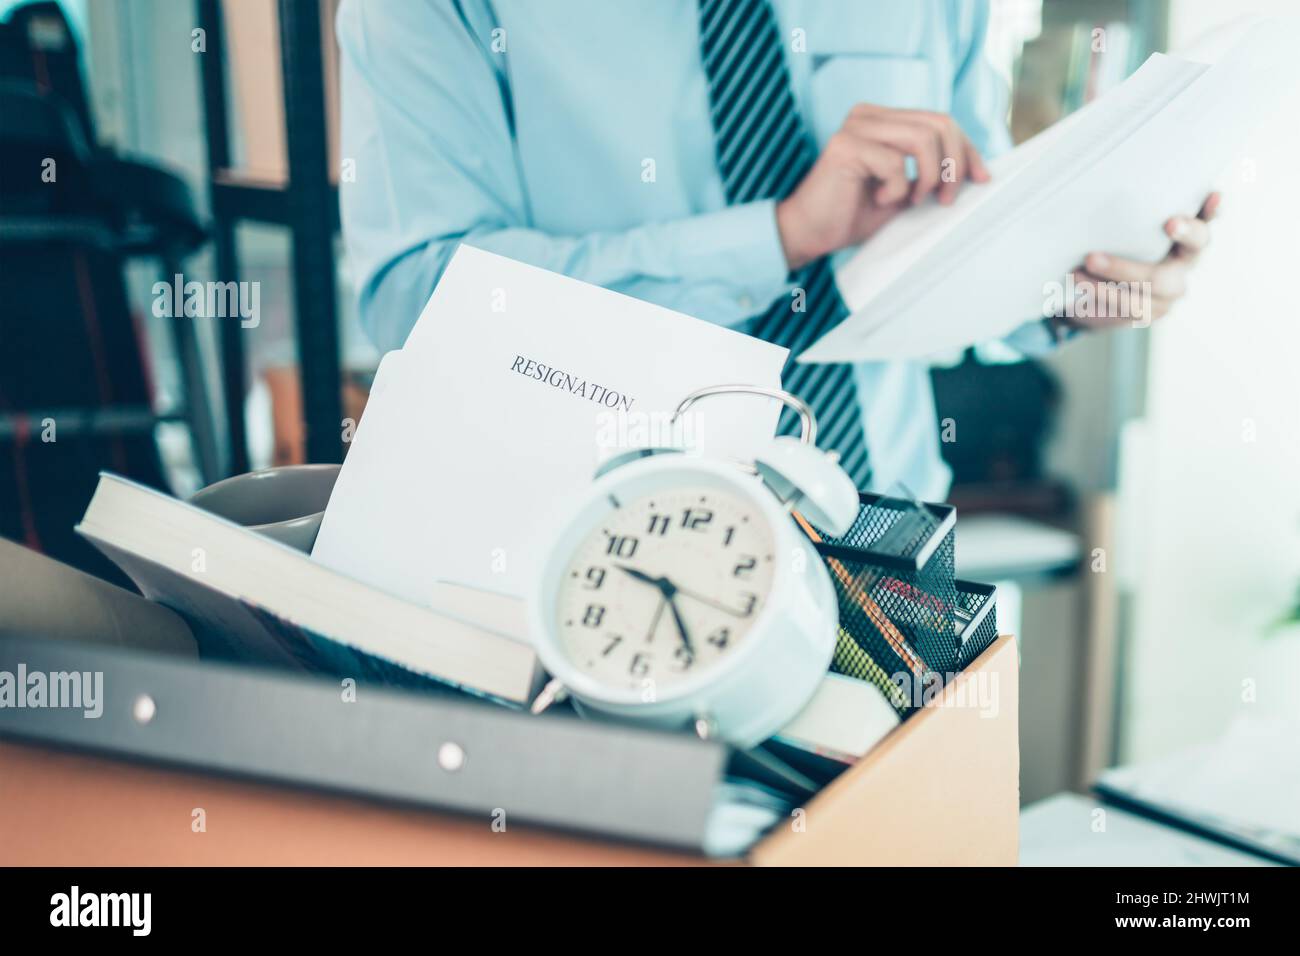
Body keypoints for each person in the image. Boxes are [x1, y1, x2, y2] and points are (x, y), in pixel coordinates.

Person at [336, 0, 1217, 500]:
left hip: (891, 543)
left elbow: (958, 225)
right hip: (593, 563)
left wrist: (1074, 286)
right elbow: (419, 299)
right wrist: (779, 238)